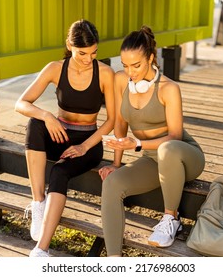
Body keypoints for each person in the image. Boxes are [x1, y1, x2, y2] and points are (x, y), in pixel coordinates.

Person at [98, 26, 205, 256]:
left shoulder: (169, 89)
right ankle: (113, 259)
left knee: (167, 149)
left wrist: (136, 144)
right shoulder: (120, 80)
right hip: (151, 159)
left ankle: (170, 219)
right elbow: (120, 122)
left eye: (136, 65)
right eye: (125, 65)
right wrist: (116, 163)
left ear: (151, 58)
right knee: (111, 184)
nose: (130, 72)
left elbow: (175, 136)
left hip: (185, 157)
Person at [15, 19, 115, 257]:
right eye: (82, 53)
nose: (88, 58)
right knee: (35, 123)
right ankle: (39, 203)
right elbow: (21, 103)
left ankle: (41, 250)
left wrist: (83, 147)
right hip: (60, 133)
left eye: (93, 53)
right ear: (69, 45)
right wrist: (47, 115)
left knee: (58, 172)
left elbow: (111, 121)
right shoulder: (54, 68)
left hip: (88, 141)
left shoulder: (105, 73)